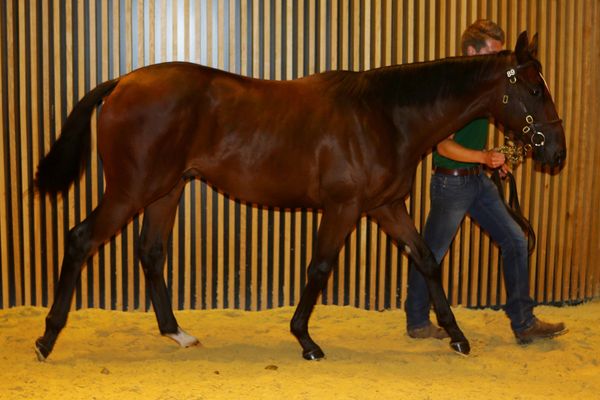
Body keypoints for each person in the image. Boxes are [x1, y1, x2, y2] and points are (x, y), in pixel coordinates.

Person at [405, 19, 567, 344]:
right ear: (471, 51)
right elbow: (442, 146)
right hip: (450, 184)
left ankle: (524, 323)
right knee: (431, 253)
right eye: (492, 53)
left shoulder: (488, 90)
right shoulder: (452, 91)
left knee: (515, 241)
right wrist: (483, 158)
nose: (498, 63)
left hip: (478, 182)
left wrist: (492, 159)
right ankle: (418, 321)